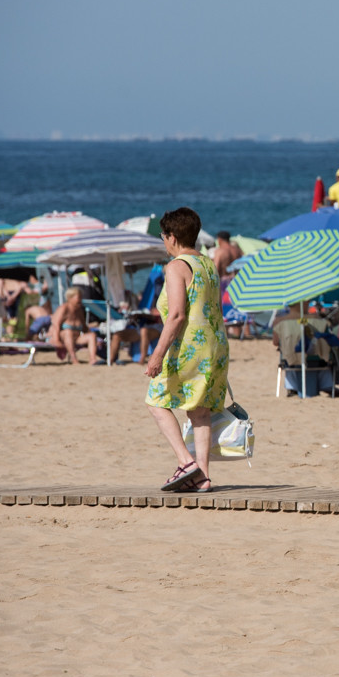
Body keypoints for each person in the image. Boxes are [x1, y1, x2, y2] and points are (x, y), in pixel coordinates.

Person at [145, 207, 230, 494]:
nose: (163, 241)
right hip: (214, 345)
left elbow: (177, 315)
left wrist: (157, 355)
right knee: (200, 411)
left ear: (172, 236)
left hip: (188, 346)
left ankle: (186, 462)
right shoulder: (208, 264)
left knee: (156, 401)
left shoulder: (176, 267)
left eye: (163, 236)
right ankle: (202, 477)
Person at [48, 287, 101, 364]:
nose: (80, 300)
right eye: (78, 298)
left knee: (92, 335)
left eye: (81, 298)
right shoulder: (63, 308)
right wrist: (56, 340)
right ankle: (74, 359)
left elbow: (84, 328)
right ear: (70, 298)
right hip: (62, 336)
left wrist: (96, 340)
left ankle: (92, 359)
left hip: (76, 338)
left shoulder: (79, 310)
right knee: (68, 332)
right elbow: (56, 325)